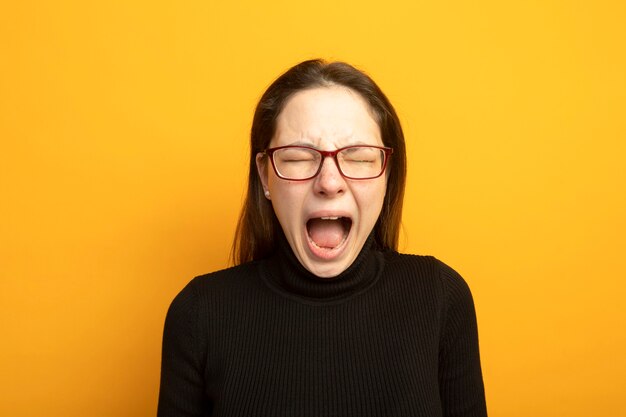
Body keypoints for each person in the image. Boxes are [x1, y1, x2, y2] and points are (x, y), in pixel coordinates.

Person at [157, 59, 487, 417]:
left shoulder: (440, 297)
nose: (329, 182)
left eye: (359, 157)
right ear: (265, 176)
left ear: (387, 175)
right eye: (298, 157)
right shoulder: (198, 314)